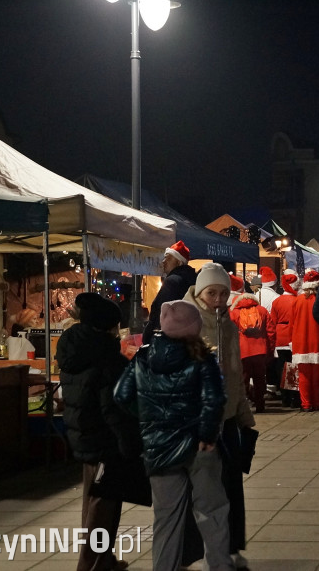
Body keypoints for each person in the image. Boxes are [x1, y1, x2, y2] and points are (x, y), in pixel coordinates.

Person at [113, 300, 234, 571]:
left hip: (158, 447)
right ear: (194, 328)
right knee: (211, 513)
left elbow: (121, 395)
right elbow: (214, 400)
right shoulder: (203, 359)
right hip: (200, 446)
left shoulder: (143, 357)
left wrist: (148, 417)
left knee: (166, 518)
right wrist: (207, 434)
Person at [57, 292, 139, 571]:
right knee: (102, 507)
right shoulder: (105, 357)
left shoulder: (74, 348)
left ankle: (102, 560)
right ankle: (92, 565)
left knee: (94, 501)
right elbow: (114, 409)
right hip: (105, 441)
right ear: (107, 326)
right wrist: (129, 445)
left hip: (84, 434)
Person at [181, 263, 254, 569]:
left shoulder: (228, 324)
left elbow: (236, 371)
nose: (219, 299)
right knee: (198, 493)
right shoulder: (186, 322)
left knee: (230, 487)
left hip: (226, 419)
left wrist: (242, 411)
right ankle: (188, 554)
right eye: (212, 292)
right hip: (198, 421)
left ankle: (228, 551)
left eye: (224, 293)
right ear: (199, 292)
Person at [228, 288, 276, 413]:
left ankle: (244, 404)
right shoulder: (262, 310)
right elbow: (271, 332)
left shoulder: (233, 312)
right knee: (260, 379)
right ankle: (260, 404)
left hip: (242, 350)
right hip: (260, 350)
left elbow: (228, 334)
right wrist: (270, 350)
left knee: (243, 378)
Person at [291, 270, 319, 412]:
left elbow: (293, 322)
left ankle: (306, 404)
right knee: (318, 375)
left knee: (303, 375)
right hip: (318, 339)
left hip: (300, 341)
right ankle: (317, 402)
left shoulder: (297, 301)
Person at [146, 240, 195, 334]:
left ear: (179, 262)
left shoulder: (172, 282)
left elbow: (162, 314)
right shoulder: (192, 279)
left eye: (168, 258)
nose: (163, 262)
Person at [272, 270, 301, 408]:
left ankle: (284, 397)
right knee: (293, 367)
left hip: (280, 336)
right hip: (293, 335)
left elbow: (272, 321)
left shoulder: (277, 301)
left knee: (281, 367)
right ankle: (294, 397)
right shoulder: (297, 301)